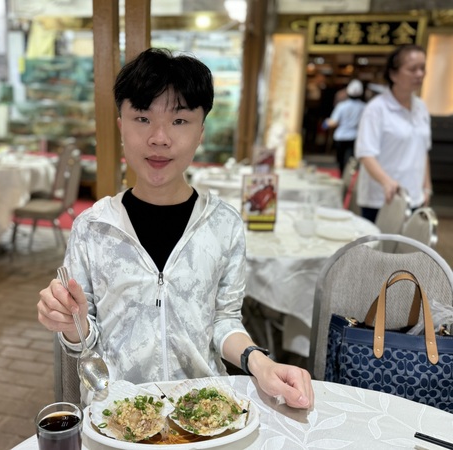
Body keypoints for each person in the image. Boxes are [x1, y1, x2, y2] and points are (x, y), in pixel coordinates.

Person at [36, 48, 314, 408]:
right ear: (121, 126)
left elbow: (223, 321)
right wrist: (70, 321)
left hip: (203, 411)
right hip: (118, 413)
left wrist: (260, 363)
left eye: (180, 121)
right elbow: (84, 340)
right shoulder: (93, 227)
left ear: (201, 132)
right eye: (142, 118)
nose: (159, 137)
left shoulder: (223, 224)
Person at [354, 44, 432, 222]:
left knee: (408, 241)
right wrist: (386, 181)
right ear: (393, 74)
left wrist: (426, 187)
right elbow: (366, 154)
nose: (420, 74)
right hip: (382, 198)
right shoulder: (376, 109)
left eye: (422, 68)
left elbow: (423, 151)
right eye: (412, 69)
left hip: (414, 197)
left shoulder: (421, 107)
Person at [324, 79, 365, 176]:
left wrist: (325, 123)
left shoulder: (342, 106)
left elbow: (333, 122)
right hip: (355, 136)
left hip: (341, 136)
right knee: (350, 159)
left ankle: (343, 175)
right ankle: (347, 176)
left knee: (341, 159)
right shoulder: (364, 107)